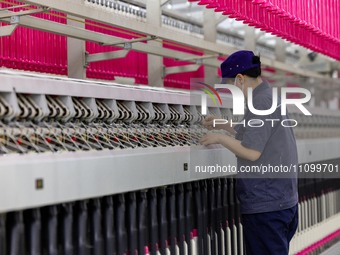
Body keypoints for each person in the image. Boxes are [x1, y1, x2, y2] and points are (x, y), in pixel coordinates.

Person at [200, 50, 298, 255]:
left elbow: (252, 151)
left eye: (230, 86)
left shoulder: (260, 103)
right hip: (282, 201)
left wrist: (220, 138)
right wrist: (222, 124)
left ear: (240, 79)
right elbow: (252, 134)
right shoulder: (269, 97)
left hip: (267, 207)